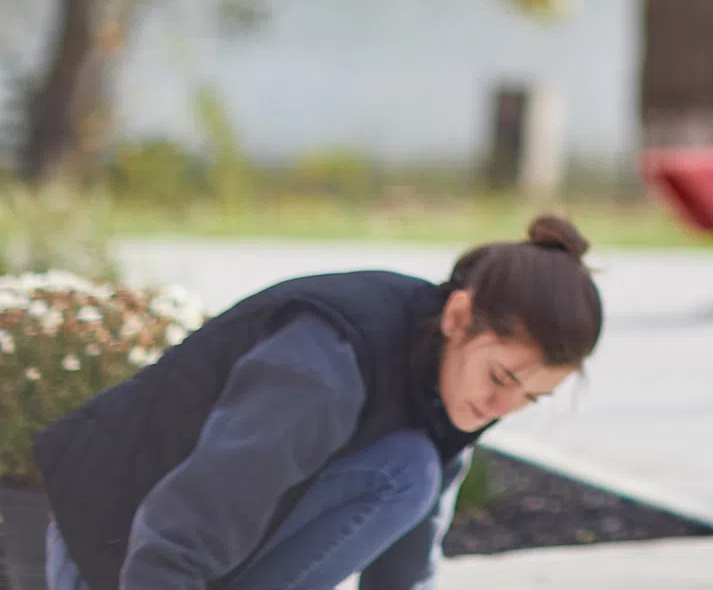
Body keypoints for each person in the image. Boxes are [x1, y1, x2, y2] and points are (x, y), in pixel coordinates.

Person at [34, 216, 602, 590]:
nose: (504, 404)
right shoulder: (325, 362)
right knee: (405, 472)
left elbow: (408, 559)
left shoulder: (446, 386)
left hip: (181, 541)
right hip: (112, 538)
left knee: (411, 469)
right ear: (458, 317)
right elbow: (189, 518)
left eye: (532, 397)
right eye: (502, 377)